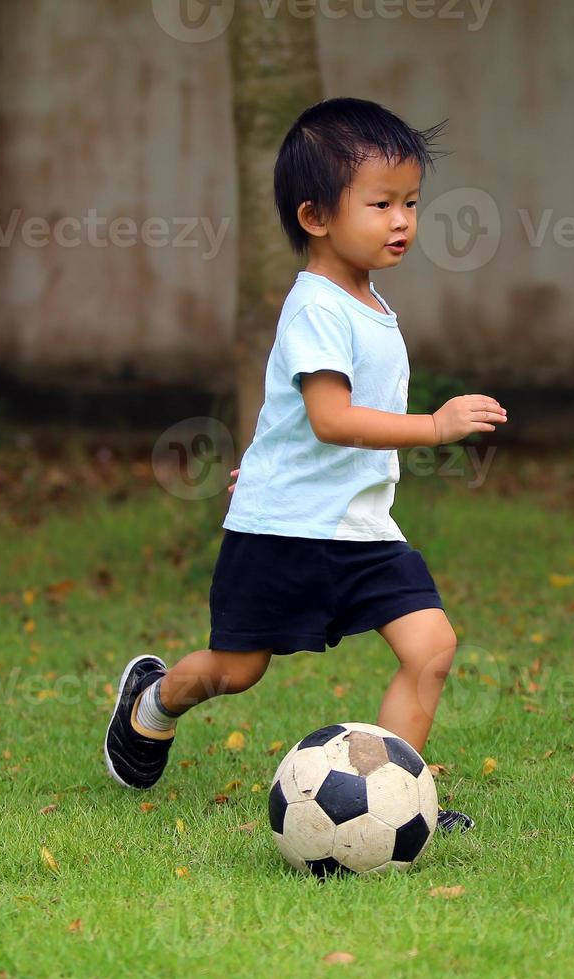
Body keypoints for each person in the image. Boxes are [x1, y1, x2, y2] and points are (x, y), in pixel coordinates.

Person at [103, 97, 506, 834]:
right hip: (284, 533)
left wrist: (265, 461)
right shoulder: (318, 307)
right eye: (381, 202)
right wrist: (435, 425)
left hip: (360, 531)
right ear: (316, 216)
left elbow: (290, 417)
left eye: (412, 201)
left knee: (432, 648)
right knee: (236, 670)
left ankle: (396, 800)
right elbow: (329, 417)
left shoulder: (370, 305)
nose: (403, 220)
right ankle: (153, 700)